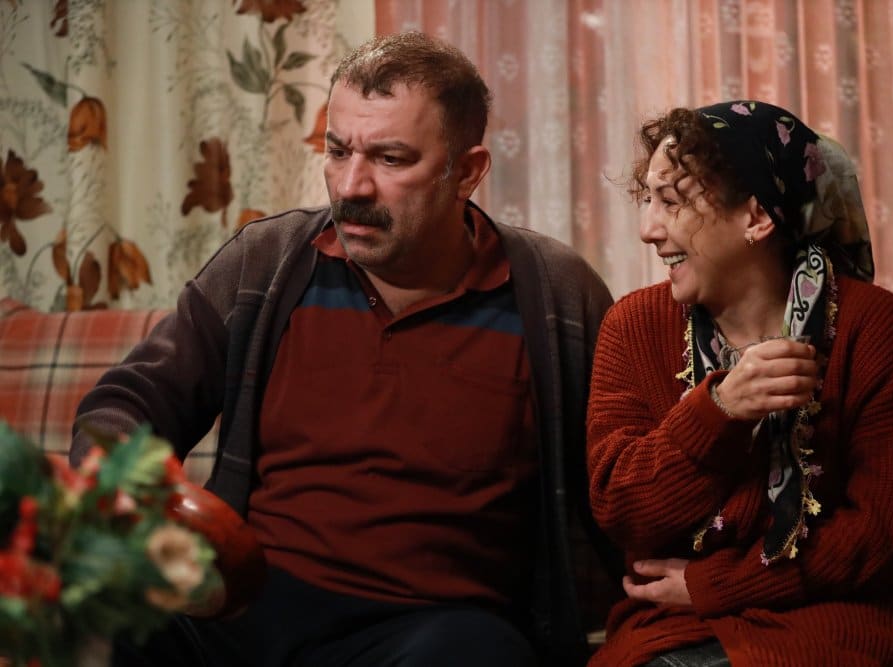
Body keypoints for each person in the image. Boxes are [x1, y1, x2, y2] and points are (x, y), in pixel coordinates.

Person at [71, 31, 614, 667]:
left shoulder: (555, 293)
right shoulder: (266, 262)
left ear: (466, 172)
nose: (351, 185)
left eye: (390, 158)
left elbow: (624, 476)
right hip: (245, 613)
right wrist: (114, 483)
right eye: (337, 151)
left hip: (432, 631)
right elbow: (131, 401)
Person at [585, 101, 893, 667]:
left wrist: (716, 584)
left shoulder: (871, 325)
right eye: (648, 201)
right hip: (679, 629)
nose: (648, 230)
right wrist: (718, 411)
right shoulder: (631, 326)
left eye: (672, 202)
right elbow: (621, 510)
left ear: (756, 218)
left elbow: (882, 533)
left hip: (841, 623)